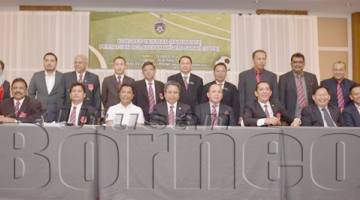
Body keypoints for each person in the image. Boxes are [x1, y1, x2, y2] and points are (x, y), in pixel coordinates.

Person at [238, 49, 279, 119]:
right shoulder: (243, 75)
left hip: (267, 114)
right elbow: (241, 98)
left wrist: (277, 113)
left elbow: (275, 97)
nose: (261, 61)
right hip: (249, 114)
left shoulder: (272, 76)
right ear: (253, 60)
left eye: (264, 59)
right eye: (259, 59)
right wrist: (241, 115)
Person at [278, 53, 318, 119]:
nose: (297, 64)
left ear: (304, 64)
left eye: (300, 62)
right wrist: (286, 117)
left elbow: (316, 97)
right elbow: (281, 100)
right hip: (291, 117)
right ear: (291, 64)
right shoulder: (283, 78)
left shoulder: (312, 77)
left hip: (310, 116)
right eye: (295, 62)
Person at [28, 52, 65, 122]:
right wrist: (34, 107)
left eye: (52, 61)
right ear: (43, 62)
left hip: (57, 113)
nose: (49, 63)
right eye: (46, 60)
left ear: (56, 63)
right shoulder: (36, 76)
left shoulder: (62, 76)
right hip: (39, 112)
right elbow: (31, 93)